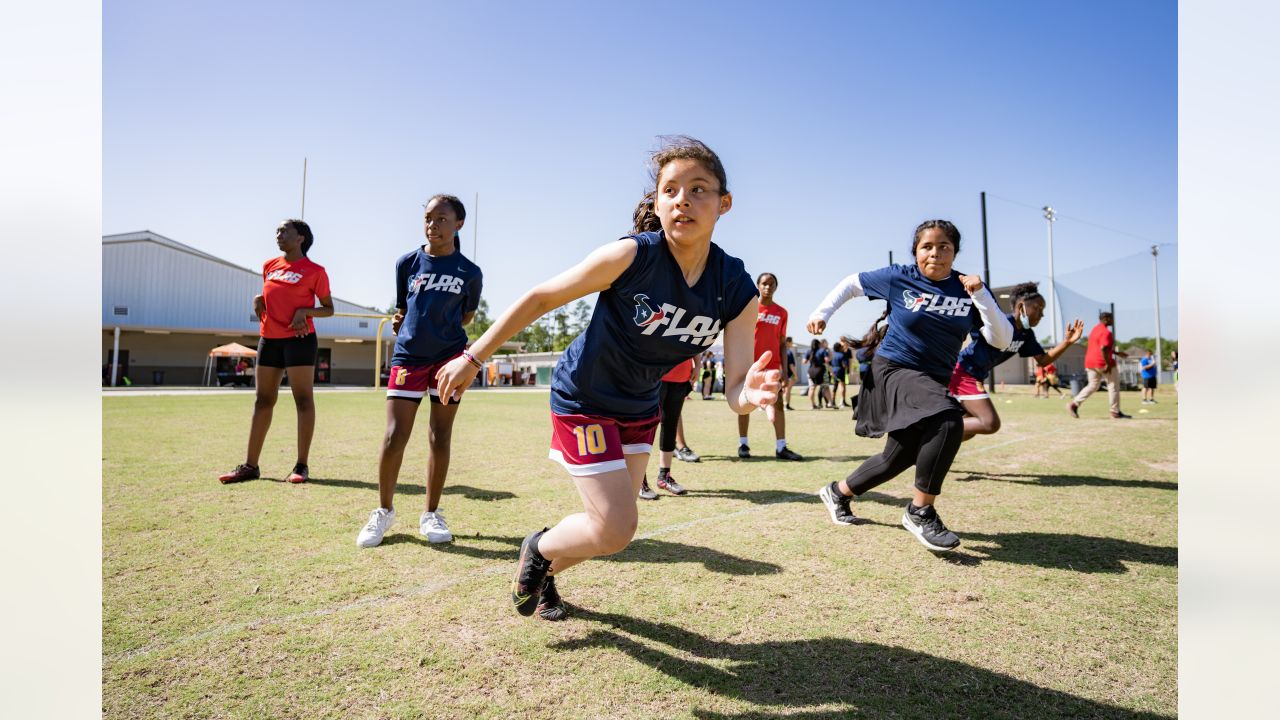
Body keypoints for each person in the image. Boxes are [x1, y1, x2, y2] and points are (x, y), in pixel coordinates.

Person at [434, 137, 778, 621]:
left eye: (699, 189)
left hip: (640, 404)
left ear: (724, 204)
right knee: (616, 527)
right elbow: (540, 298)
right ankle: (538, 549)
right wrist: (472, 358)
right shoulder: (632, 256)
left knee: (609, 533)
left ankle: (544, 564)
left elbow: (737, 388)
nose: (684, 199)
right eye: (671, 189)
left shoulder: (737, 288)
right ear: (657, 204)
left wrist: (750, 396)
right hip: (585, 397)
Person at [809, 219, 1012, 551]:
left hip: (933, 379)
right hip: (894, 369)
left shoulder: (967, 288)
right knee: (948, 421)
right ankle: (920, 511)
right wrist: (822, 312)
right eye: (926, 247)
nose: (935, 253)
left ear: (955, 252)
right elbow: (851, 283)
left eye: (943, 246)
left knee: (898, 457)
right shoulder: (900, 276)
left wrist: (982, 296)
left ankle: (837, 492)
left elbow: (1001, 340)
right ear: (916, 252)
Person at [356, 195, 483, 548]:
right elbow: (404, 308)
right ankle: (383, 511)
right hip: (408, 357)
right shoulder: (407, 262)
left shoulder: (470, 272)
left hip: (449, 360)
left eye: (442, 218)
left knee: (439, 436)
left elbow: (467, 316)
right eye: (428, 218)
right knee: (394, 435)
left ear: (458, 224)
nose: (432, 224)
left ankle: (431, 513)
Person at [219, 220, 334, 485]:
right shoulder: (269, 266)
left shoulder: (315, 271)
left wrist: (306, 311)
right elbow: (274, 295)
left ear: (301, 238)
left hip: (299, 341)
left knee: (303, 400)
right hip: (269, 339)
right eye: (277, 231)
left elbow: (328, 308)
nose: (278, 235)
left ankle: (301, 466)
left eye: (284, 231)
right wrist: (259, 299)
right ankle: (250, 466)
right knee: (262, 401)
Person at [948, 282, 1085, 441]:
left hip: (974, 376)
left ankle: (933, 449)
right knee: (989, 422)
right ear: (1021, 307)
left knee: (969, 429)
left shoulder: (1026, 334)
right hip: (963, 371)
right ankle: (933, 433)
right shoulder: (1000, 322)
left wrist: (1067, 342)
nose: (1042, 314)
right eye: (1038, 308)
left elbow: (1043, 360)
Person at [736, 272, 802, 460]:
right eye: (764, 283)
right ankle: (743, 445)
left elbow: (782, 343)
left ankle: (781, 447)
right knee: (744, 405)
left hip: (772, 367)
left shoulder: (781, 312)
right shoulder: (749, 308)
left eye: (772, 284)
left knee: (778, 404)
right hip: (750, 366)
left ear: (776, 287)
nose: (768, 287)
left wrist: (783, 368)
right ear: (757, 285)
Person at [640, 356, 701, 500]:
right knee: (646, 427)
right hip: (655, 375)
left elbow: (696, 339)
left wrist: (698, 364)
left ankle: (664, 476)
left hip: (681, 377)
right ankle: (639, 480)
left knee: (670, 424)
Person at [1068, 310, 1130, 419]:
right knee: (1113, 385)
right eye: (1111, 318)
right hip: (1102, 362)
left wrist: (1116, 353)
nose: (1113, 320)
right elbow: (1103, 348)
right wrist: (1108, 364)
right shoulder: (1106, 332)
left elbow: (1101, 347)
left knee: (1093, 385)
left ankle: (1074, 404)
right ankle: (1115, 412)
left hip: (1090, 362)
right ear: (1105, 319)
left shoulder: (1095, 330)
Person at [805, 339, 830, 409]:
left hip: (810, 371)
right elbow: (827, 360)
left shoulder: (809, 351)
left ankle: (813, 405)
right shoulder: (822, 350)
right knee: (825, 387)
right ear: (819, 344)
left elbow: (804, 362)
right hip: (820, 371)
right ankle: (830, 402)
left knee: (812, 388)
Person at [831, 339, 851, 408]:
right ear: (839, 348)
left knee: (835, 386)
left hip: (834, 371)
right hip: (840, 371)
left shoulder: (833, 355)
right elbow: (844, 365)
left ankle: (833, 401)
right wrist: (847, 368)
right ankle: (843, 401)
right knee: (842, 385)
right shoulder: (842, 355)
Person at [783, 337, 798, 410]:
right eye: (791, 342)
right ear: (788, 342)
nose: (792, 344)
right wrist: (795, 375)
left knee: (784, 390)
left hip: (782, 373)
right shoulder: (789, 352)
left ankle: (786, 405)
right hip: (789, 374)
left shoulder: (782, 351)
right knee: (788, 390)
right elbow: (791, 365)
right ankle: (786, 405)